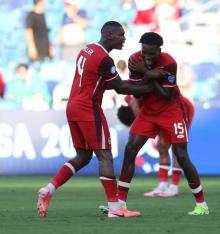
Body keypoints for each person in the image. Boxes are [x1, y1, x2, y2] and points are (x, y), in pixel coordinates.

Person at [37, 21, 154, 218]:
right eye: (120, 35)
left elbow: (99, 81)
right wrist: (149, 85)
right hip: (88, 109)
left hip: (73, 106)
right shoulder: (105, 59)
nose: (124, 38)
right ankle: (115, 209)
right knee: (105, 155)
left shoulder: (87, 49)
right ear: (108, 35)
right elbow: (120, 88)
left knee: (83, 156)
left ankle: (49, 189)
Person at [116, 32, 209, 215]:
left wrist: (147, 74)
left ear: (159, 50)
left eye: (151, 54)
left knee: (182, 156)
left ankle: (201, 205)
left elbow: (167, 95)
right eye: (145, 53)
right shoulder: (135, 60)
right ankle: (120, 204)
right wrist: (149, 74)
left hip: (172, 112)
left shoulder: (169, 63)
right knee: (130, 150)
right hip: (148, 113)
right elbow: (136, 92)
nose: (147, 58)